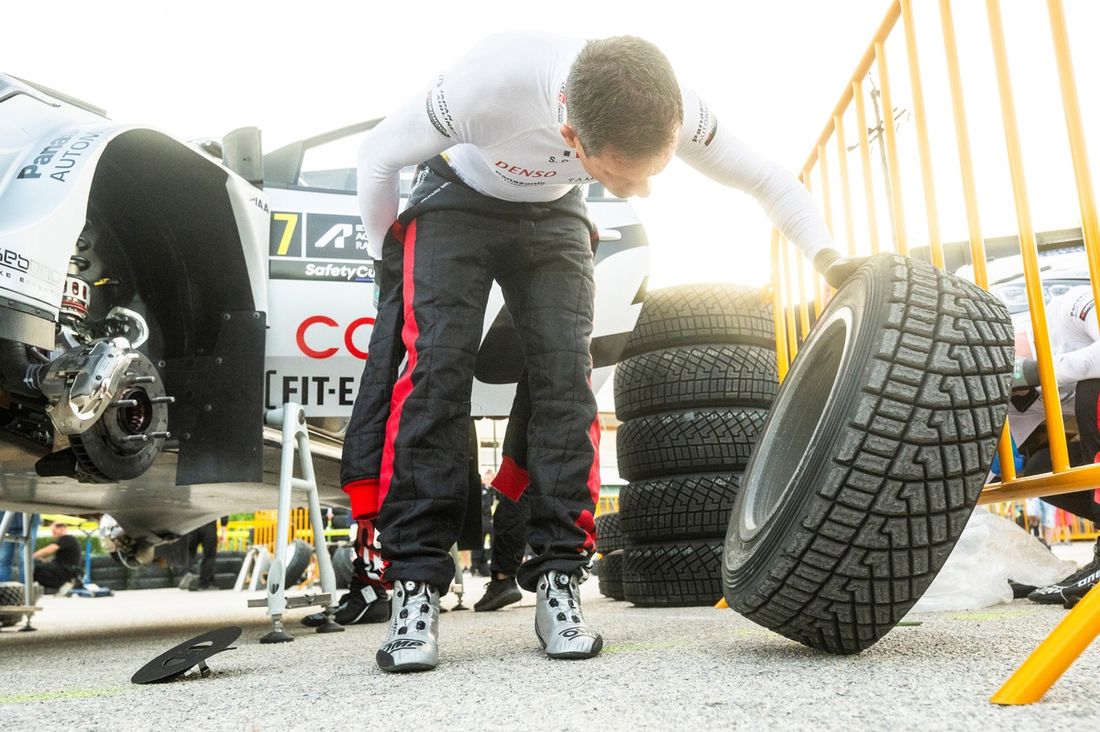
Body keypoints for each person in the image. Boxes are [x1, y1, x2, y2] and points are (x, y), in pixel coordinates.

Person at [342, 32, 850, 673]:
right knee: (435, 374)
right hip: (456, 200)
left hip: (553, 215)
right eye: (623, 174)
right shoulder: (487, 86)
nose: (641, 192)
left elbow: (769, 179)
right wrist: (385, 261)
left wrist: (830, 259)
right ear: (571, 136)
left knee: (566, 383)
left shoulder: (674, 105)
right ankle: (415, 588)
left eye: (654, 170)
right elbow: (378, 155)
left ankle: (558, 578)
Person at [1006, 285, 1100, 606]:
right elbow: (981, 474)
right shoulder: (1014, 398)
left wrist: (1039, 372)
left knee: (1093, 390)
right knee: (1040, 470)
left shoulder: (1071, 308)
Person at [176, 518, 227, 591]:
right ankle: (205, 583)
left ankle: (188, 573)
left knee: (189, 552)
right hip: (209, 524)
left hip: (192, 524)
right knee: (209, 555)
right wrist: (223, 526)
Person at [32, 521, 83, 593]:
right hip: (65, 569)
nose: (52, 534)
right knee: (40, 564)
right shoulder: (68, 540)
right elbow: (61, 559)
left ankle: (63, 585)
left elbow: (48, 550)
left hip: (67, 571)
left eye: (54, 531)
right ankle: (58, 586)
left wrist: (31, 556)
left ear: (62, 529)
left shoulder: (67, 538)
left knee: (34, 567)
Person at [0, 512, 40, 582]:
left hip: (29, 522)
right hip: (4, 520)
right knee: (3, 558)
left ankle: (26, 587)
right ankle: (4, 589)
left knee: (25, 558)